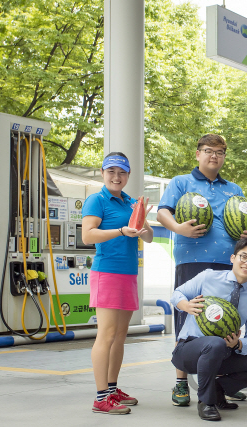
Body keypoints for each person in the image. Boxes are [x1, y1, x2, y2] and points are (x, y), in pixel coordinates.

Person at [157, 134, 247, 406]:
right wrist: (178, 228)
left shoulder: (234, 189)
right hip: (192, 260)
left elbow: (244, 220)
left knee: (223, 319)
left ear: (224, 156)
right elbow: (162, 212)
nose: (214, 156)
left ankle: (220, 378)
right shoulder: (181, 182)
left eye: (219, 152)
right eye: (208, 151)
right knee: (188, 315)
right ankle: (181, 382)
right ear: (198, 153)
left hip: (228, 264)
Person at [171, 238, 247, 421]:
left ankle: (219, 389)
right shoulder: (208, 277)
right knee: (214, 344)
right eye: (243, 257)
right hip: (188, 350)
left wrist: (238, 344)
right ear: (233, 258)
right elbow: (177, 294)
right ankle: (206, 402)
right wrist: (186, 305)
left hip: (225, 352)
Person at [82, 152, 154, 415]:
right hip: (107, 273)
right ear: (102, 173)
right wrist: (122, 231)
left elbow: (149, 238)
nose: (116, 176)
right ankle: (101, 397)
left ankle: (112, 389)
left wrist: (144, 225)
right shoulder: (97, 199)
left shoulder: (130, 202)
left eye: (121, 172)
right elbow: (88, 236)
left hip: (128, 274)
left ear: (128, 176)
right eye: (111, 171)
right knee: (107, 335)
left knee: (120, 337)